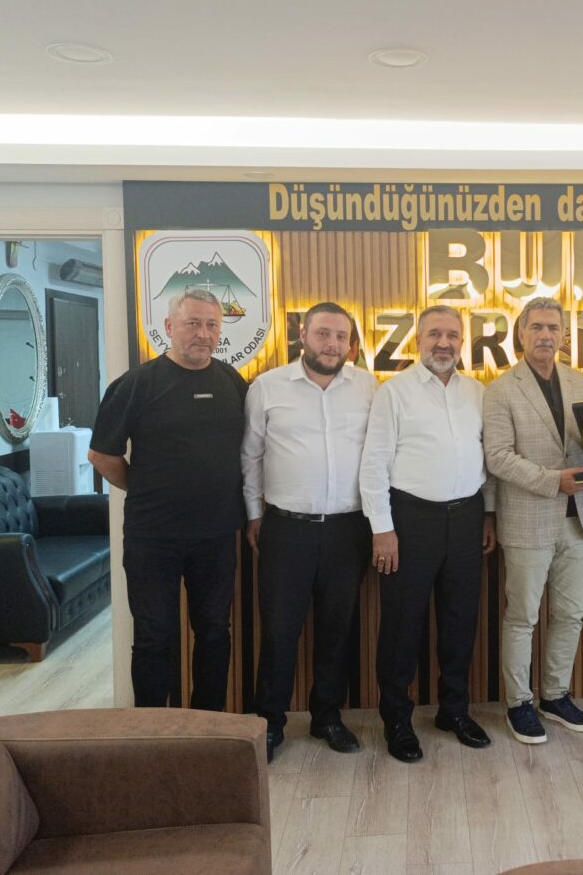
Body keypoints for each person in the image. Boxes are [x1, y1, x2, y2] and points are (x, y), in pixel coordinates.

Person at [89, 288, 248, 711]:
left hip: (216, 535)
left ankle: (209, 724)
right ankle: (151, 730)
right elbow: (101, 455)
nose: (203, 334)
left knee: (214, 631)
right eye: (192, 323)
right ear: (168, 327)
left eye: (212, 325)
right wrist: (145, 488)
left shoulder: (233, 383)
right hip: (152, 537)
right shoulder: (136, 384)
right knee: (153, 636)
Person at [359, 304, 497, 763]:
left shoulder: (477, 392)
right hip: (410, 520)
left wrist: (488, 514)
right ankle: (397, 718)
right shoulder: (394, 392)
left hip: (467, 518)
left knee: (460, 620)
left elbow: (487, 459)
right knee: (403, 624)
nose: (444, 342)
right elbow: (374, 464)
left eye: (452, 335)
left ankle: (453, 711)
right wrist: (383, 529)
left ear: (462, 342)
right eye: (435, 334)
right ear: (418, 341)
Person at [241, 301, 377, 762]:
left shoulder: (368, 387)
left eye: (341, 337)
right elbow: (250, 456)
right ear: (303, 335)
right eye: (323, 334)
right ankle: (270, 723)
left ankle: (327, 717)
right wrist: (254, 514)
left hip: (348, 530)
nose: (332, 344)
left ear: (351, 344)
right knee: (279, 631)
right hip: (287, 530)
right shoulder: (267, 387)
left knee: (337, 630)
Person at [483, 297, 583, 744]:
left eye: (553, 327)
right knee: (522, 617)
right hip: (527, 519)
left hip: (578, 520)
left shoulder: (580, 381)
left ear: (564, 335)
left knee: (571, 613)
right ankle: (518, 703)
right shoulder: (500, 389)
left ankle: (555, 695)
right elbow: (498, 457)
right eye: (537, 327)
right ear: (521, 334)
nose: (546, 335)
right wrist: (553, 481)